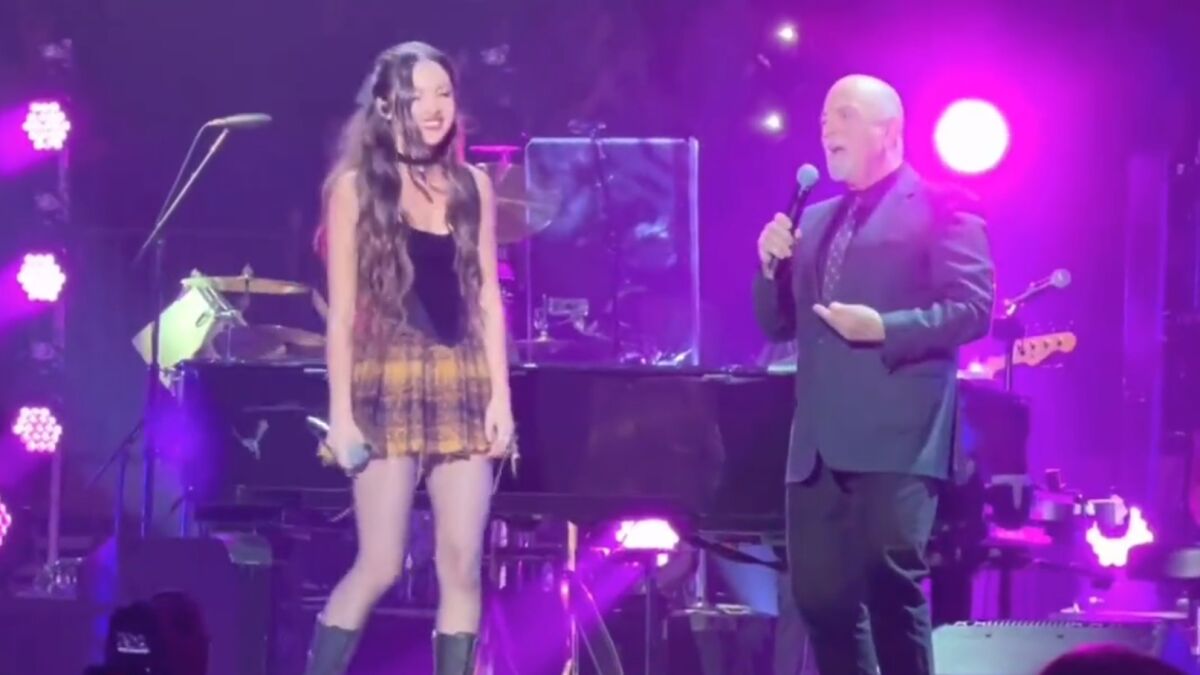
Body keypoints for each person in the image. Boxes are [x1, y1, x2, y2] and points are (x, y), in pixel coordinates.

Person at [753, 74, 995, 674]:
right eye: (823, 118)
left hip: (898, 438)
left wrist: (884, 328)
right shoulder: (815, 220)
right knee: (818, 600)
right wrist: (770, 268)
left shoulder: (943, 207)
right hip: (817, 449)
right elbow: (778, 325)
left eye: (844, 114)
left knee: (890, 590)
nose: (826, 128)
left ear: (889, 131)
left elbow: (973, 308)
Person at [305, 41, 516, 675]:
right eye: (417, 95)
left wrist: (501, 399)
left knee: (462, 565)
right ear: (385, 104)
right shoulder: (354, 189)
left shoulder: (473, 186)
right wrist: (341, 417)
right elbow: (342, 314)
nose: (433, 108)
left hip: (462, 381)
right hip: (387, 379)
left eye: (443, 93)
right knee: (380, 563)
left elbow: (487, 299)